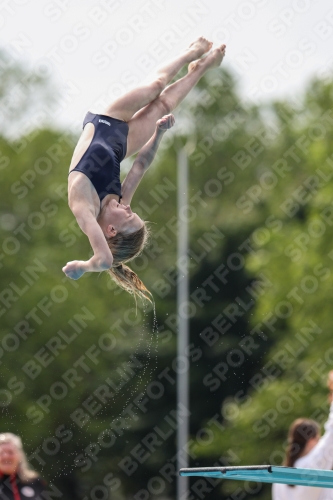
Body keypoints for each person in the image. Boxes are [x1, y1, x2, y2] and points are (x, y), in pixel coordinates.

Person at [62, 37, 226, 299]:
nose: (128, 207)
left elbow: (104, 260)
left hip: (106, 119)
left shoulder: (86, 209)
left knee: (155, 86)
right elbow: (139, 166)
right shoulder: (119, 202)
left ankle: (190, 53)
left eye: (129, 217)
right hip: (123, 143)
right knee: (162, 105)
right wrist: (159, 133)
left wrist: (82, 267)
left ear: (111, 231)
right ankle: (203, 65)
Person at [272, 372, 333, 500]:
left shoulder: (279, 477)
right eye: (318, 438)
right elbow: (331, 438)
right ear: (311, 441)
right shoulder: (311, 465)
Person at [0, 433, 47, 500]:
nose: (6, 456)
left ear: (19, 455)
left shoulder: (34, 481)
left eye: (10, 452)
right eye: (1, 453)